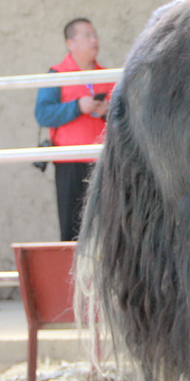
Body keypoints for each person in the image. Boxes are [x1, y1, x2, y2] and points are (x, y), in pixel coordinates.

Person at [34, 18, 114, 241]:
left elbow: (125, 115)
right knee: (72, 230)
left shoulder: (107, 75)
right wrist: (77, 107)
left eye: (94, 35)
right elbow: (43, 114)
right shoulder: (57, 74)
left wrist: (107, 110)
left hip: (103, 162)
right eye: (87, 35)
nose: (94, 40)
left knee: (106, 229)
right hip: (69, 163)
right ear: (70, 43)